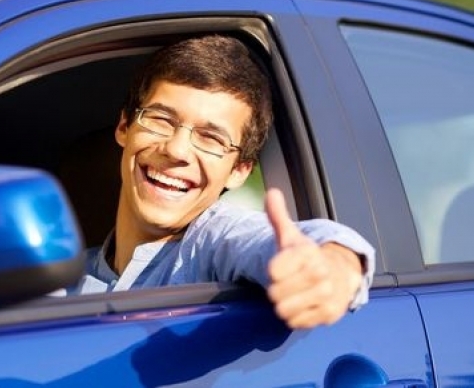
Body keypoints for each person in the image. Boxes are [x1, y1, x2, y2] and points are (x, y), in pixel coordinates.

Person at [70, 34, 375, 329]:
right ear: (125, 127)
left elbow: (264, 239)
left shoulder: (211, 244)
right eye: (161, 119)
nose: (176, 150)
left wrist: (334, 265)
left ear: (239, 170)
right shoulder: (66, 279)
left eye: (211, 138)